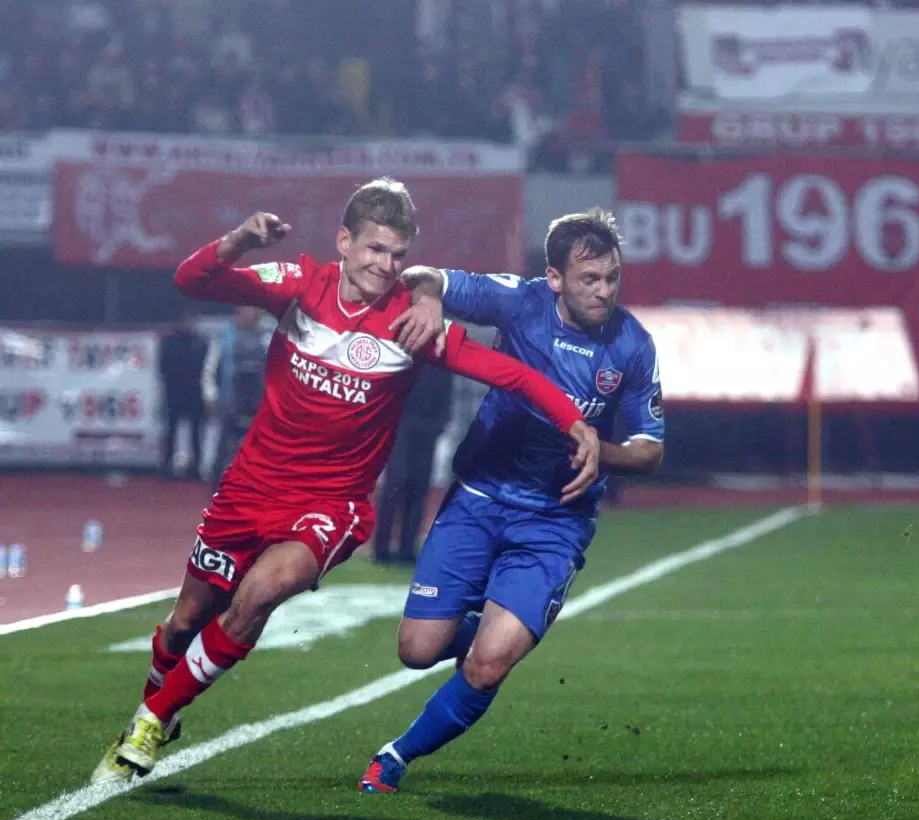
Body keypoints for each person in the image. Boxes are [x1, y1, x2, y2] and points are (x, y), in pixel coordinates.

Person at [91, 178, 600, 785]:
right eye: (374, 250)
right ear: (344, 242)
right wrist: (237, 241)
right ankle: (157, 704)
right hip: (249, 487)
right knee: (183, 622)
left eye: (397, 255)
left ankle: (150, 720)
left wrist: (575, 422)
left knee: (258, 595)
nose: (385, 266)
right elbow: (191, 281)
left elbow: (510, 376)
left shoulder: (411, 325)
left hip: (331, 506)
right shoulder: (301, 287)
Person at [358, 208, 665, 793]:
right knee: (417, 650)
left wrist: (603, 449)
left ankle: (395, 757)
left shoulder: (632, 345)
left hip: (556, 521)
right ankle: (483, 623)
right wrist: (426, 300)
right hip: (479, 498)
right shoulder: (519, 301)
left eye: (612, 278)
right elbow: (429, 276)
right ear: (554, 279)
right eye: (589, 280)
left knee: (488, 664)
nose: (604, 292)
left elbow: (650, 448)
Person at [372, 364, 453, 565]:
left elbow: (446, 391)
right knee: (397, 481)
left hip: (428, 426)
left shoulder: (442, 359)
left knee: (419, 486)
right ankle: (381, 547)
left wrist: (440, 422)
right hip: (402, 422)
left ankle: (407, 548)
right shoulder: (407, 352)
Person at [202, 304, 273, 490]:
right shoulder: (225, 337)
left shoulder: (268, 336)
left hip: (261, 406)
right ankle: (218, 493)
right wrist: (210, 394)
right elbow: (210, 369)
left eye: (252, 309)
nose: (249, 313)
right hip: (231, 403)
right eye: (244, 309)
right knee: (224, 452)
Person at [157, 305, 208, 479]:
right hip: (174, 393)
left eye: (191, 321)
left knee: (196, 433)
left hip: (195, 394)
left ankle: (197, 467)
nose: (188, 324)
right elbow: (162, 368)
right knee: (171, 432)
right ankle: (167, 466)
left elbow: (206, 369)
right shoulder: (169, 342)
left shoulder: (201, 343)